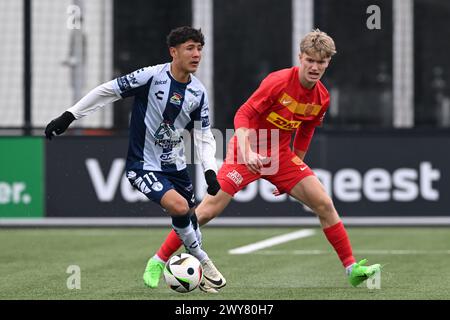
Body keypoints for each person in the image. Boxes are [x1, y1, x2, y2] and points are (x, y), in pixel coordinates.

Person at [144, 29, 381, 293]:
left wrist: (295, 167)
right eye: (310, 60)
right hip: (246, 152)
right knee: (207, 211)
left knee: (324, 203)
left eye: (321, 62)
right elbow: (243, 114)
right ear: (300, 57)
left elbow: (306, 130)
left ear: (328, 63)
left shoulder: (322, 97)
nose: (315, 67)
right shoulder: (278, 81)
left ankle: (352, 269)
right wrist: (247, 152)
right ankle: (158, 260)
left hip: (280, 156)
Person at [44, 26, 226, 292]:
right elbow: (108, 90)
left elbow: (203, 135)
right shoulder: (151, 76)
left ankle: (158, 260)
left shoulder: (198, 92)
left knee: (189, 219)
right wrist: (70, 115)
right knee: (179, 208)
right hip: (143, 164)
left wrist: (210, 170)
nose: (197, 54)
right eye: (190, 48)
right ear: (173, 52)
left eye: (199, 48)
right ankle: (204, 261)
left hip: (176, 167)